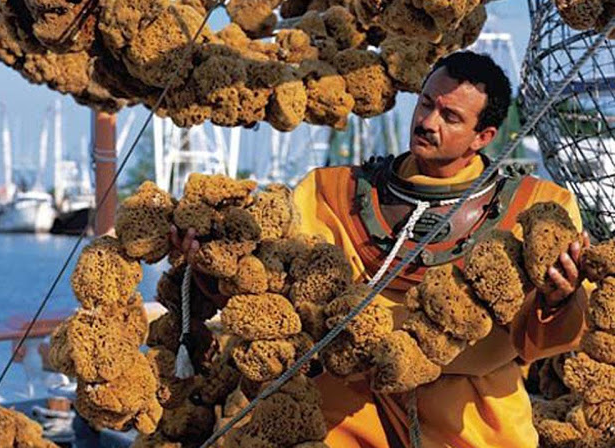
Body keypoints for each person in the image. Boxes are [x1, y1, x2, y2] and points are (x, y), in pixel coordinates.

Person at [172, 51, 591, 448]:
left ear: (482, 137)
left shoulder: (535, 208)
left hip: (473, 425)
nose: (428, 121)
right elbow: (271, 288)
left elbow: (549, 339)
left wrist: (557, 301)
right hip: (343, 420)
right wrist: (213, 262)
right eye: (426, 103)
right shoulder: (328, 193)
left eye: (450, 116)